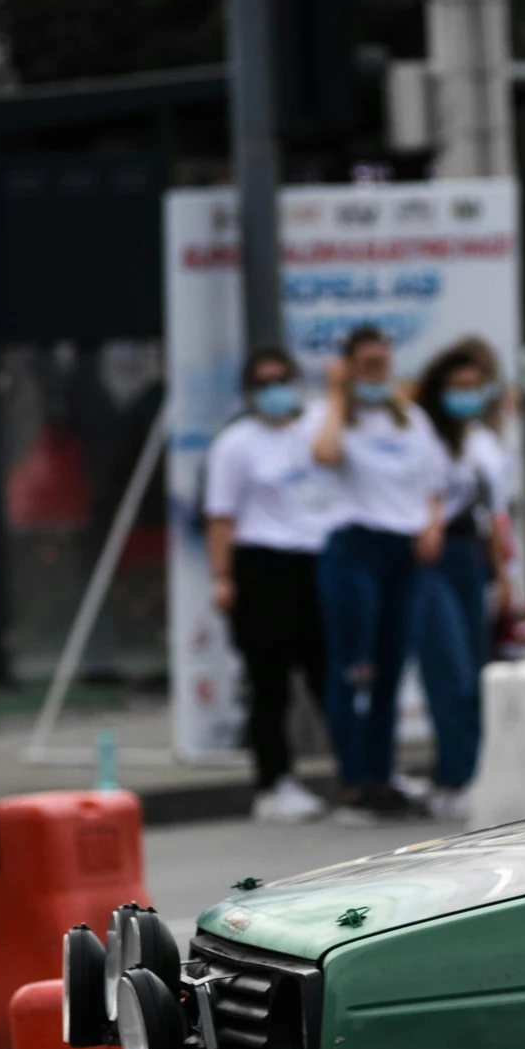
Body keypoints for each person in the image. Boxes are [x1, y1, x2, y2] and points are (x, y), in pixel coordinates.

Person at [311, 323, 447, 823]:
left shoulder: (410, 419)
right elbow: (323, 453)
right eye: (366, 365)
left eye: (382, 365)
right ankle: (354, 780)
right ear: (349, 367)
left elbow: (433, 485)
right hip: (355, 547)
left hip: (404, 551)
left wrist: (431, 526)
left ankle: (382, 775)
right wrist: (335, 393)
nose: (377, 374)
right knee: (354, 667)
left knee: (391, 668)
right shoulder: (333, 418)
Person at [204, 345, 335, 823]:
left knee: (330, 678)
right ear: (249, 392)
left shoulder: (318, 424)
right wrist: (222, 577)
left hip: (316, 563)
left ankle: (360, 775)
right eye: (264, 383)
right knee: (269, 685)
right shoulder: (236, 443)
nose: (275, 390)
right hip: (262, 568)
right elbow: (220, 517)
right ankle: (273, 783)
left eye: (282, 379)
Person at [412, 337, 515, 818]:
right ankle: (456, 776)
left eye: (474, 385)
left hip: (470, 556)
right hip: (431, 555)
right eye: (457, 386)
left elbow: (494, 515)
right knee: (447, 669)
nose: (465, 394)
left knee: (475, 673)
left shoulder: (485, 440)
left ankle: (468, 770)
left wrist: (502, 574)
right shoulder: (422, 434)